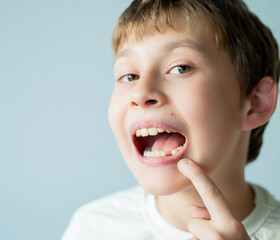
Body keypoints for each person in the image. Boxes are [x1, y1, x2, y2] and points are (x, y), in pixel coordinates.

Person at [62, 0, 280, 239]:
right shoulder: (92, 228)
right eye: (129, 75)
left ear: (256, 103)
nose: (141, 93)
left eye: (181, 68)